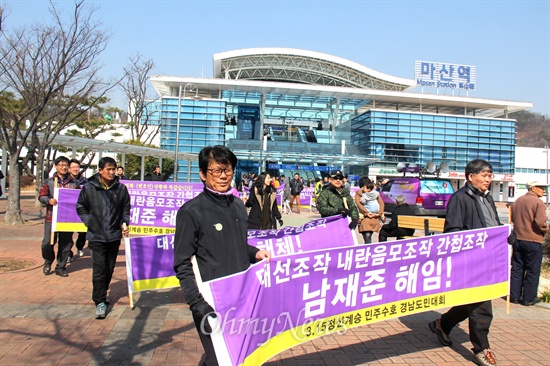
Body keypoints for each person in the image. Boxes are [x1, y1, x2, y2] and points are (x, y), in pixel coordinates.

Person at [173, 145, 270, 366]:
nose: (224, 175)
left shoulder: (237, 205)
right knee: (218, 357)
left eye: (228, 170)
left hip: (241, 297)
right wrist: (197, 303)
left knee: (238, 355)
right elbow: (181, 262)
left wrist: (255, 253)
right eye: (216, 170)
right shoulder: (191, 211)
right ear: (202, 174)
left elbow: (238, 244)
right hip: (211, 301)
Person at [428, 159, 501, 366]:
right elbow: (452, 231)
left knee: (472, 302)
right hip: (472, 260)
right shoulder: (459, 198)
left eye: (490, 175)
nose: (488, 179)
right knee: (482, 306)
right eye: (484, 175)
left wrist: (505, 235)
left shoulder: (488, 198)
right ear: (470, 177)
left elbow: (493, 223)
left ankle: (443, 323)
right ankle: (481, 348)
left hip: (490, 258)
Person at [76, 157, 130, 319]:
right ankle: (99, 301)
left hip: (114, 236)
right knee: (99, 269)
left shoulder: (120, 189)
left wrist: (125, 222)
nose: (112, 172)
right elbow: (81, 206)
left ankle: (103, 292)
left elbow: (125, 209)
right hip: (96, 235)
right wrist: (89, 221)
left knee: (109, 268)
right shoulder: (89, 188)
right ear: (100, 170)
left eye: (114, 169)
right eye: (109, 169)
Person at [38, 156, 79, 277]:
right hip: (52, 217)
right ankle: (48, 260)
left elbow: (79, 197)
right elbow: (41, 196)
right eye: (61, 164)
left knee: (65, 243)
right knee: (47, 243)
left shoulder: (73, 183)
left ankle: (60, 266)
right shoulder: (49, 182)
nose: (63, 167)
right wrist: (49, 200)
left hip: (67, 218)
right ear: (56, 166)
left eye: (65, 164)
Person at [510, 180, 548, 306]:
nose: (544, 190)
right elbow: (540, 223)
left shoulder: (518, 201)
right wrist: (545, 229)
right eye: (541, 187)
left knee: (517, 268)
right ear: (533, 188)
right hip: (533, 240)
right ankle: (528, 298)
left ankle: (514, 296)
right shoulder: (538, 202)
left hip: (518, 239)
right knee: (532, 270)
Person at [68, 159, 88, 261]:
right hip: (69, 210)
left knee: (83, 231)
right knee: (67, 233)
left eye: (77, 167)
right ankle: (68, 253)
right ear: (69, 169)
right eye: (73, 167)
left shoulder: (85, 181)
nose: (75, 169)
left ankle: (80, 246)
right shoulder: (65, 181)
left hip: (82, 210)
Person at [355, 177, 385, 244]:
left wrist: (366, 213)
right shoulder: (375, 193)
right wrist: (379, 213)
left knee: (367, 236)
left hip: (366, 218)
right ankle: (369, 249)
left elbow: (359, 204)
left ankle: (368, 250)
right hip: (375, 217)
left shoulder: (359, 193)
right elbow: (381, 203)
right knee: (368, 235)